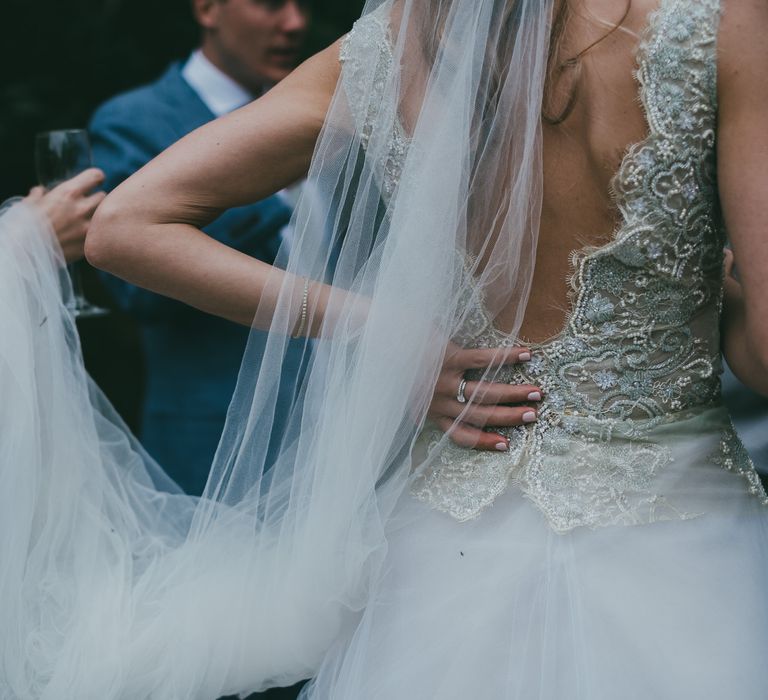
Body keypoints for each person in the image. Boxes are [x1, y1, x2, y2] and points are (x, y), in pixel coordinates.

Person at [3, 0, 768, 698]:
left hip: (447, 560)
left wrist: (379, 327)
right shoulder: (717, 23)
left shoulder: (401, 42)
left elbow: (123, 227)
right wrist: (718, 294)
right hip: (676, 533)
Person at [87, 0, 313, 495]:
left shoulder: (321, 118)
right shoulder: (135, 119)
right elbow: (135, 292)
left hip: (334, 442)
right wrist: (268, 187)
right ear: (208, 8)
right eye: (272, 4)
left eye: (302, 5)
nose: (295, 22)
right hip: (210, 444)